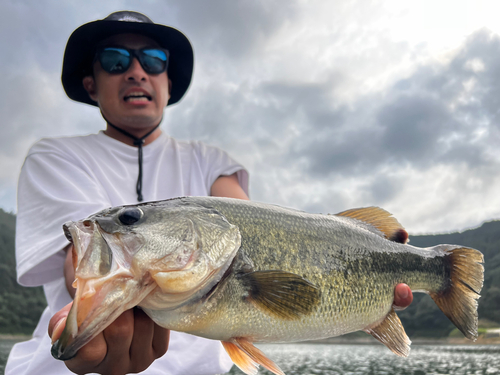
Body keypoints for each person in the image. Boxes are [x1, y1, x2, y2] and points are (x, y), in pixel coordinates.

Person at [6, 11, 413, 375]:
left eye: (153, 61)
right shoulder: (54, 155)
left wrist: (361, 256)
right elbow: (80, 263)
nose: (135, 72)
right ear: (91, 84)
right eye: (115, 60)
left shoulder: (210, 160)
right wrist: (99, 307)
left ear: (167, 82)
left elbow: (252, 228)